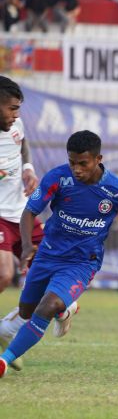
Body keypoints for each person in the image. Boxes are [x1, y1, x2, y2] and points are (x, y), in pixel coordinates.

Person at [0, 130, 118, 379]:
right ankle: (65, 309)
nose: (76, 169)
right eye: (72, 162)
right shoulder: (58, 178)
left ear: (98, 159)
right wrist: (28, 244)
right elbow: (30, 212)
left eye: (83, 163)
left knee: (47, 306)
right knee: (27, 311)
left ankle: (4, 362)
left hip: (83, 261)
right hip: (48, 255)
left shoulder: (116, 187)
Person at [0, 76, 44, 372]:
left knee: (52, 275)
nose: (16, 115)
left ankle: (4, 330)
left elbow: (22, 144)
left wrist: (27, 169)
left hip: (23, 213)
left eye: (18, 109)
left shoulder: (15, 125)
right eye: (12, 109)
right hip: (0, 215)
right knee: (4, 274)